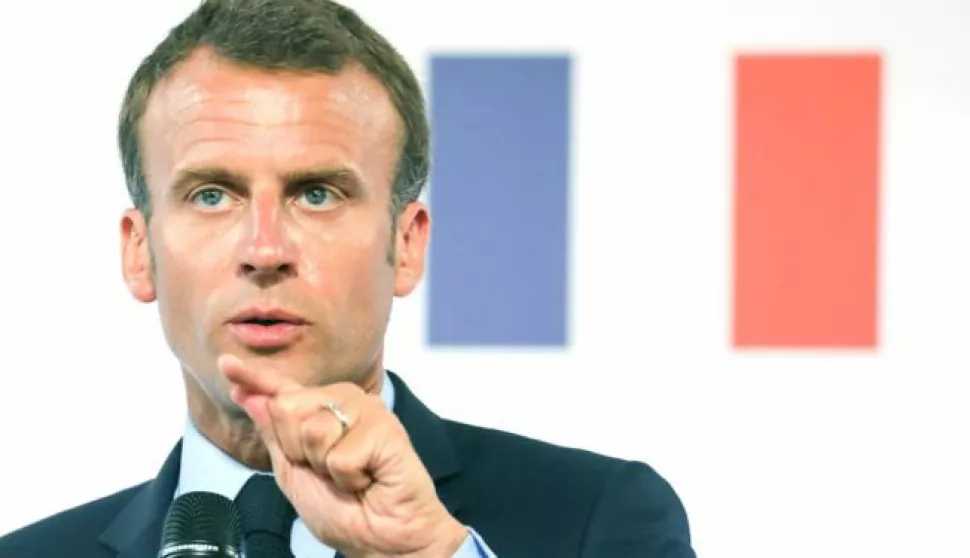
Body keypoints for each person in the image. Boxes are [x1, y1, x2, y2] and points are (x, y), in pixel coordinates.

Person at [0, 0, 696, 556]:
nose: (264, 249)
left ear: (407, 243)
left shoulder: (597, 519)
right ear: (139, 251)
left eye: (317, 194)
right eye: (212, 194)